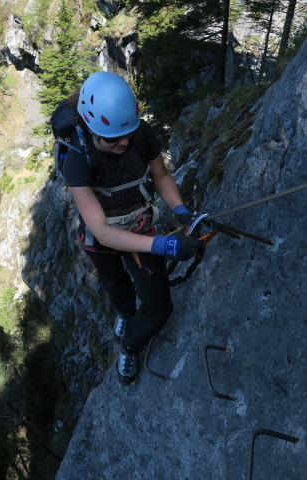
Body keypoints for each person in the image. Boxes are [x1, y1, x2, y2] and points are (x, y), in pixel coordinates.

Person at [61, 71, 203, 386]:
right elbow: (99, 228)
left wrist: (180, 210)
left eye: (128, 133)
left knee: (159, 306)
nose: (124, 143)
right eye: (113, 139)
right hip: (104, 237)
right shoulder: (77, 158)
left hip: (139, 228)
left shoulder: (140, 135)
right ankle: (126, 314)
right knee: (115, 285)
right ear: (91, 127)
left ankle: (131, 342)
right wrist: (163, 246)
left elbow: (161, 176)